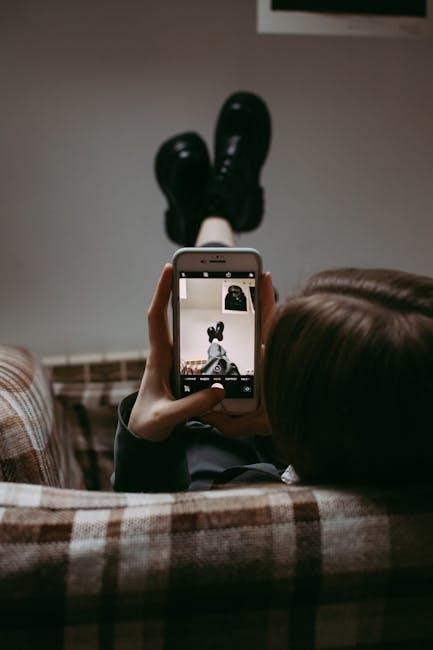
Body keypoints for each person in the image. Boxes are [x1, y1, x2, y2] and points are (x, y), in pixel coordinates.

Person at [113, 91, 433, 492]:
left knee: (215, 402)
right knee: (239, 301)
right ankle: (219, 208)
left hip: (216, 448)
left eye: (279, 372)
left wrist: (145, 441)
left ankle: (215, 212)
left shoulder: (235, 493)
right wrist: (279, 430)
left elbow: (161, 518)